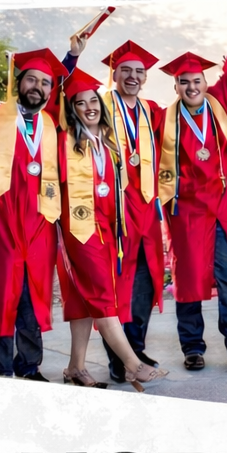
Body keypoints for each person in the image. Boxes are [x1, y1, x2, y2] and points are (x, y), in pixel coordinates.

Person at [0, 40, 81, 380]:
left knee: (32, 300)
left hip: (39, 227)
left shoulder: (51, 126)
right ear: (18, 82)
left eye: (45, 83)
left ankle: (29, 366)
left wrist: (72, 57)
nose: (37, 87)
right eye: (31, 79)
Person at [157, 2, 227, 371]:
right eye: (184, 82)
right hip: (186, 211)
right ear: (176, 86)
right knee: (187, 280)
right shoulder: (163, 119)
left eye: (197, 80)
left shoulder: (218, 105)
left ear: (205, 83)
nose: (191, 86)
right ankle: (193, 348)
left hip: (221, 210)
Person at [56, 68, 167, 392]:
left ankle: (75, 367)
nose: (89, 107)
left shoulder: (107, 145)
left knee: (83, 300)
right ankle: (133, 365)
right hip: (80, 229)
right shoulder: (64, 142)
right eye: (80, 103)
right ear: (71, 110)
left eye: (93, 101)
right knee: (103, 295)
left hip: (107, 230)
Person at [99, 41, 167, 383]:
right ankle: (118, 358)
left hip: (145, 209)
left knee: (144, 282)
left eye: (139, 71)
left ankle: (136, 349)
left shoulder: (151, 111)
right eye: (125, 70)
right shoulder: (99, 106)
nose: (133, 76)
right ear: (114, 74)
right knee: (116, 286)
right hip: (113, 209)